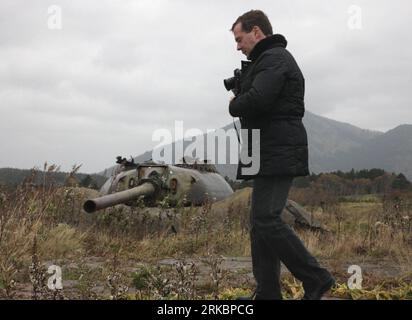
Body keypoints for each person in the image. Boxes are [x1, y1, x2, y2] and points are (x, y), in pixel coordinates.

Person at [228, 10, 335, 300]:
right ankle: (267, 293)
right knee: (259, 224)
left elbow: (259, 100)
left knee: (267, 219)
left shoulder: (275, 59)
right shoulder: (266, 61)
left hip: (277, 150)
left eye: (239, 39)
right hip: (267, 150)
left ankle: (317, 278)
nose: (238, 46)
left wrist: (235, 103)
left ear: (257, 32)